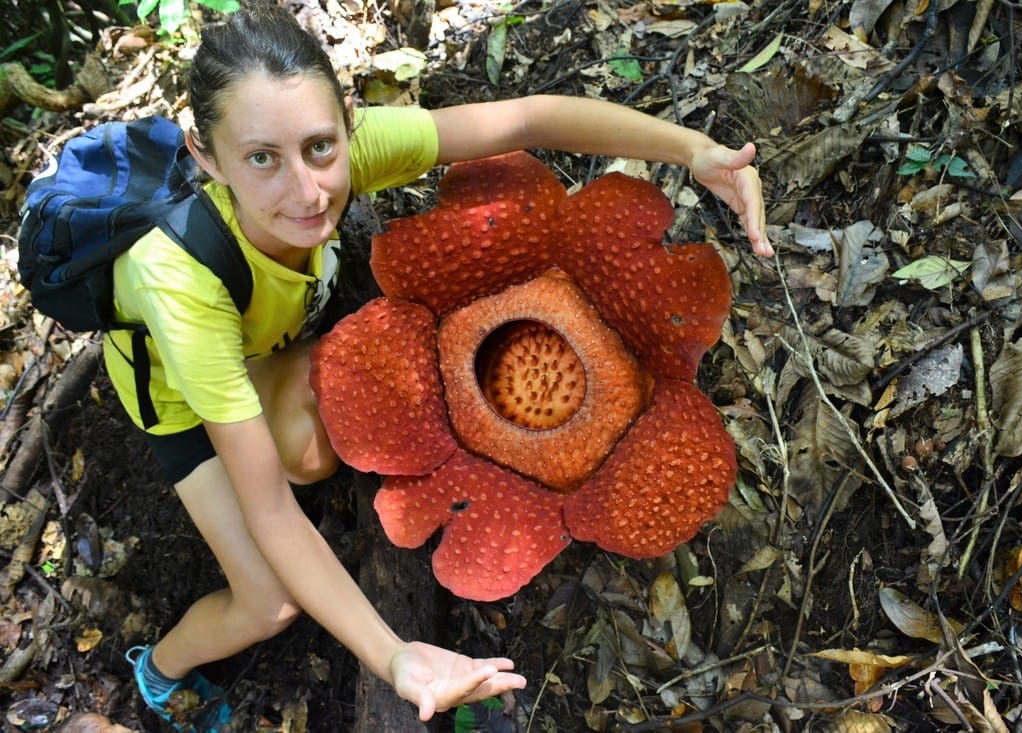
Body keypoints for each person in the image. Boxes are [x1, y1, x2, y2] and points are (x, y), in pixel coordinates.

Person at [108, 1, 772, 729]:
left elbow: (525, 121)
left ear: (349, 122)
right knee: (267, 600)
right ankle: (157, 669)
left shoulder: (343, 154)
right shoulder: (181, 287)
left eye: (320, 149)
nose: (306, 189)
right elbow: (267, 508)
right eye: (260, 158)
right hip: (180, 392)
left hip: (266, 339)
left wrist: (692, 149)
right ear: (205, 154)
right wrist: (392, 655)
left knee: (310, 444)